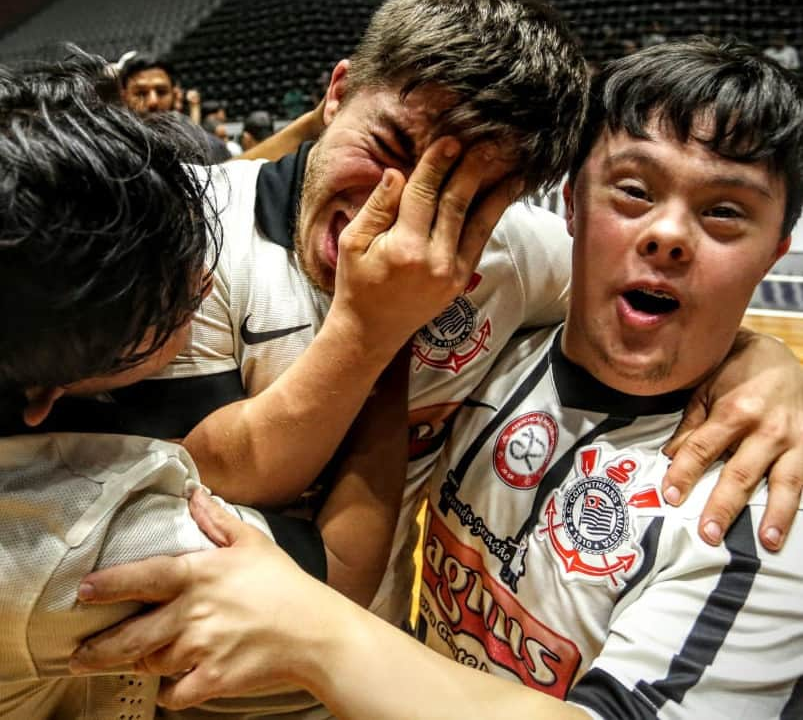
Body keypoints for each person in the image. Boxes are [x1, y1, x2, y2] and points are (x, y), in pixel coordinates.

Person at [72, 38, 803, 719]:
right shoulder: (506, 352)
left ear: (777, 249)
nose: (667, 233)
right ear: (573, 205)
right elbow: (210, 463)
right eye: (634, 191)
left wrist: (771, 362)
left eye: (724, 211)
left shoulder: (764, 507)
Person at [0, 51, 505, 719]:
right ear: (47, 394)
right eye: (168, 301)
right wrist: (379, 328)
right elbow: (335, 577)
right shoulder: (82, 540)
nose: (203, 277)